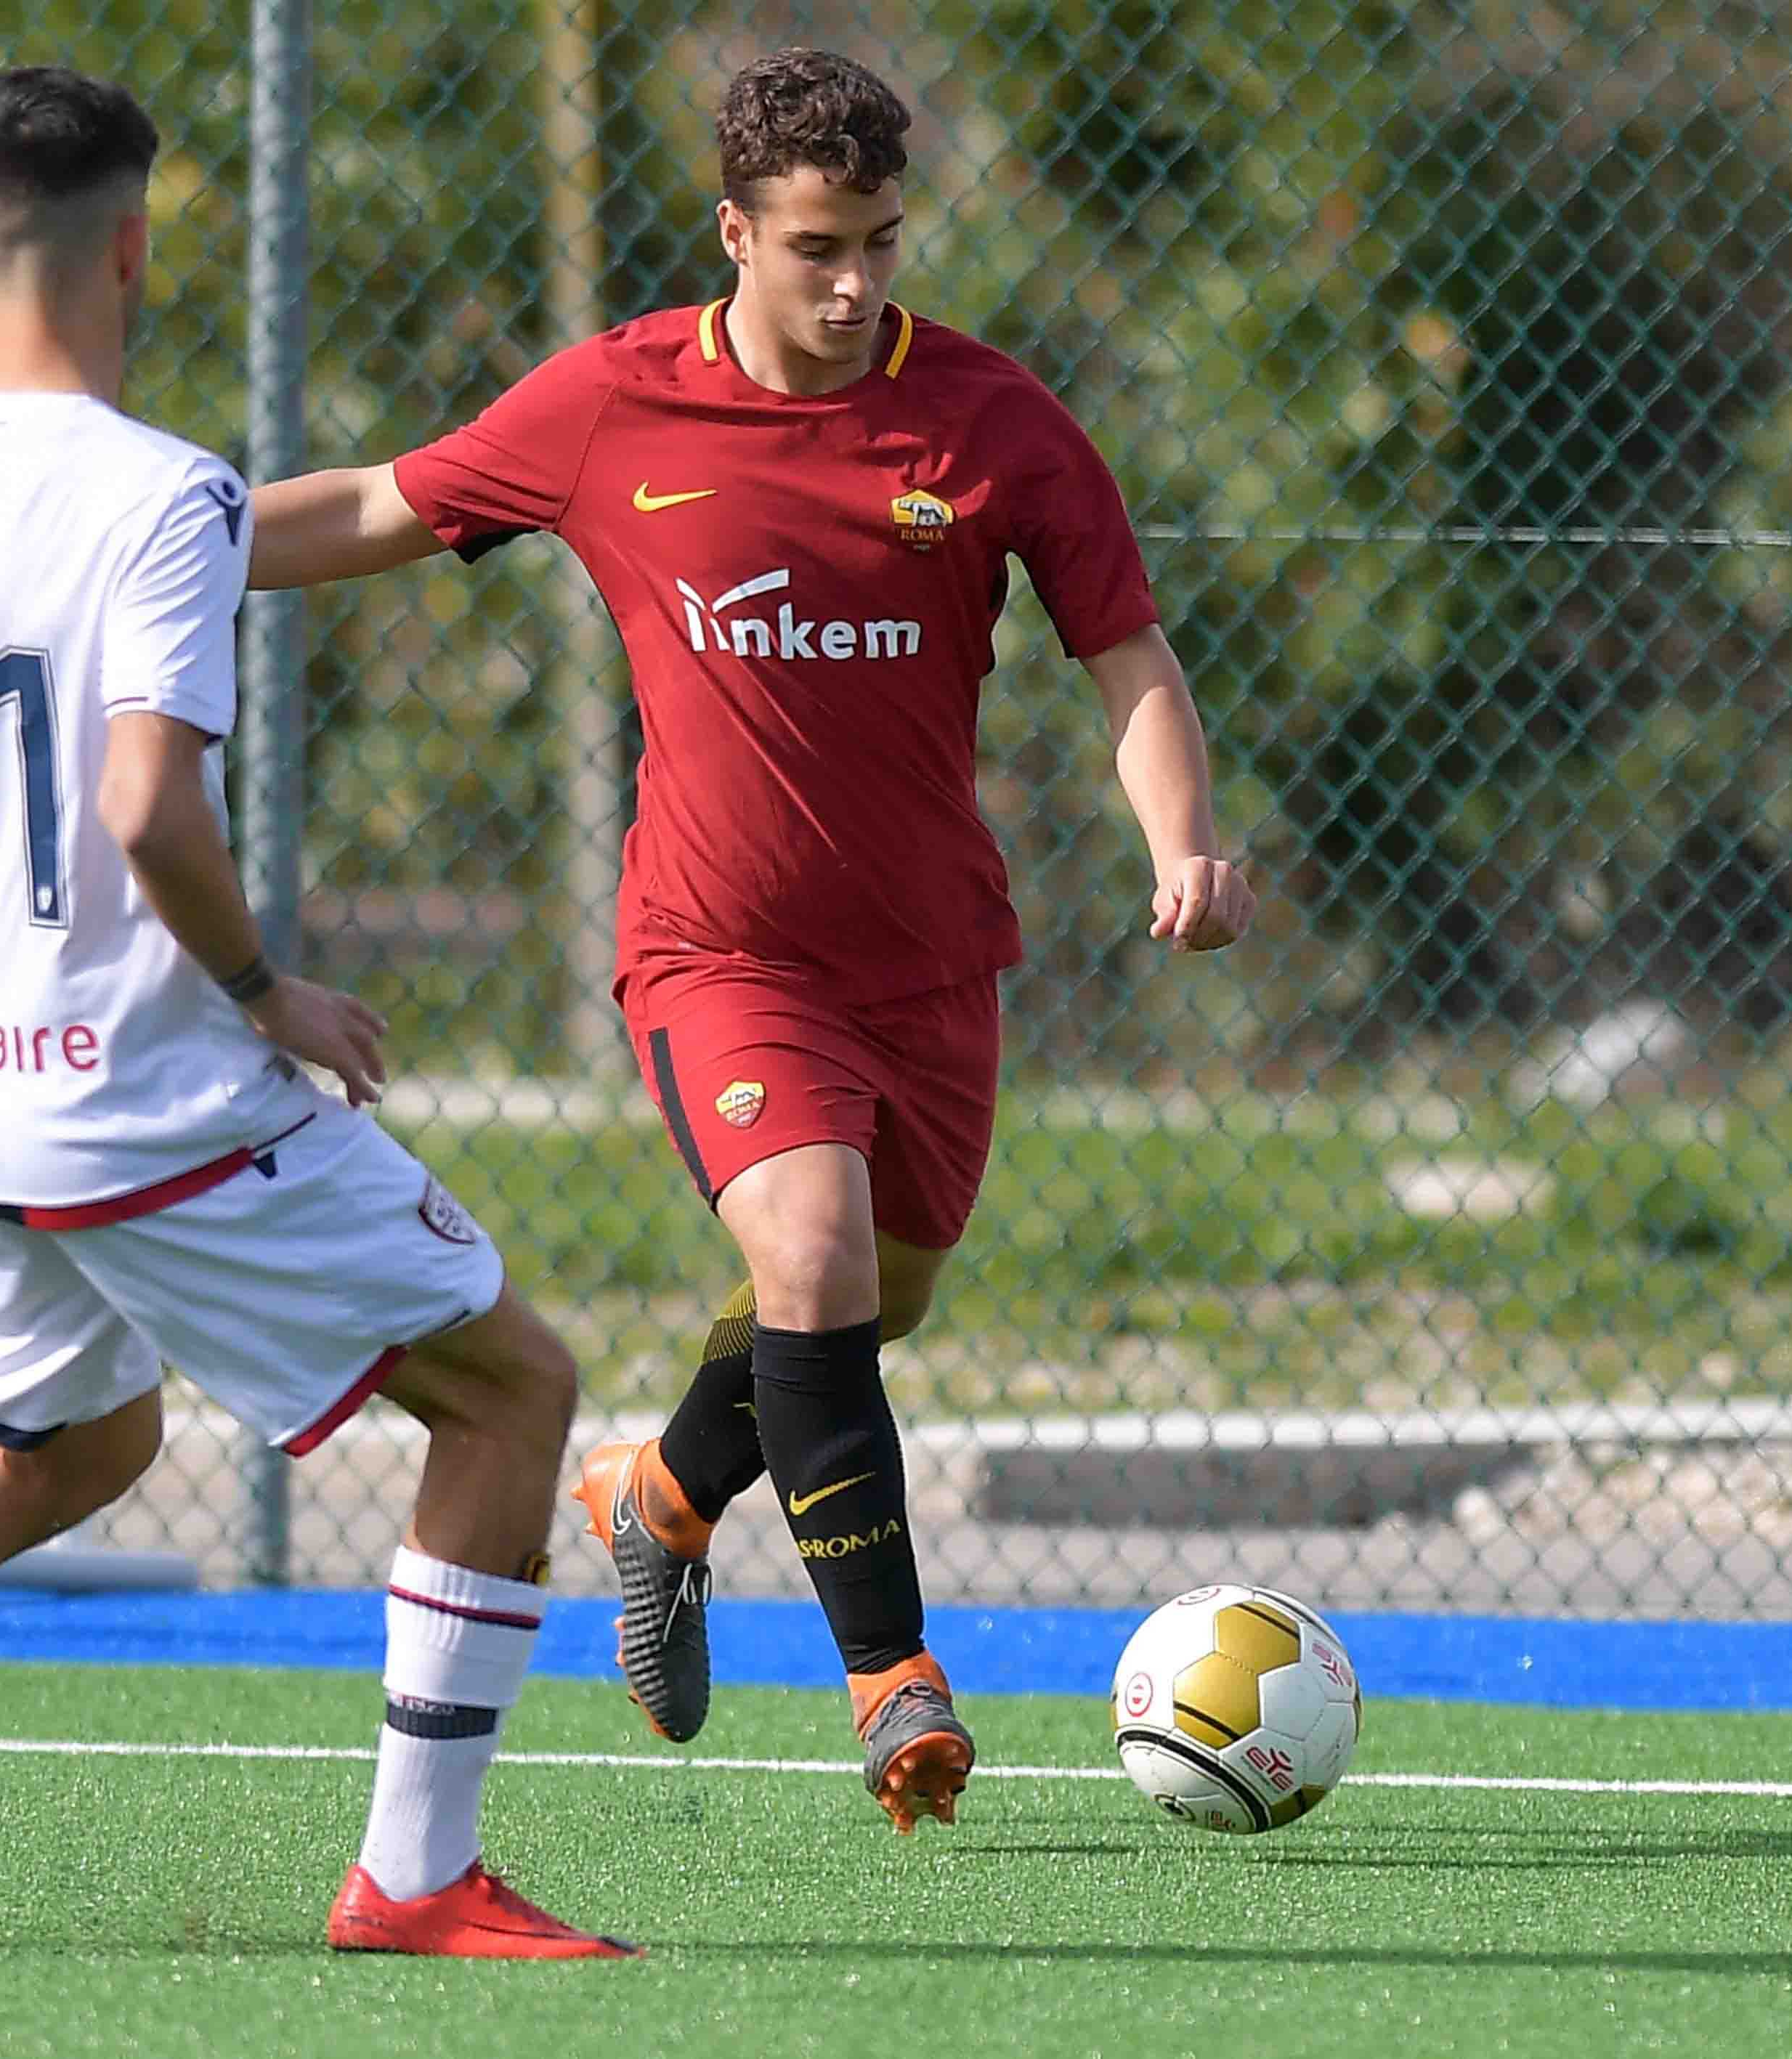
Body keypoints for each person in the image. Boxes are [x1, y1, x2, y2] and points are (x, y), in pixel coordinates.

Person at [0, 64, 633, 1960]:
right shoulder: (164, 496)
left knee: (68, 1447)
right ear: (135, 248)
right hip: (143, 1095)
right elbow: (147, 806)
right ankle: (413, 1874)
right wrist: (267, 990)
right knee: (509, 1389)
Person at [247, 46, 1255, 1833]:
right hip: (719, 953)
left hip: (928, 961)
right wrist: (148, 548)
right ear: (734, 233)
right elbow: (382, 505)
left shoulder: (990, 419)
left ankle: (658, 1495)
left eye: (879, 241)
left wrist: (1180, 837)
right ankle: (892, 1679)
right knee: (808, 1253)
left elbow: (1126, 654)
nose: (854, 283)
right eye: (814, 247)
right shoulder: (613, 403)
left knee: (880, 1295)